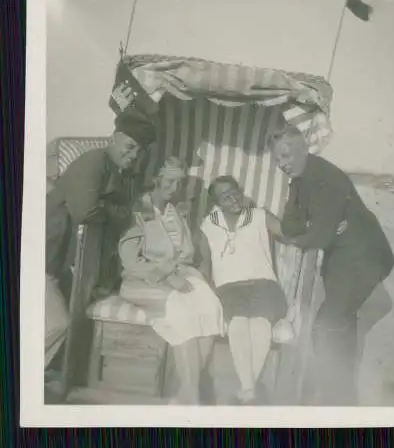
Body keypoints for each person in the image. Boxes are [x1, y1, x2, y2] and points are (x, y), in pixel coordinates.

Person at [267, 123, 394, 406]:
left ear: (303, 148)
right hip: (343, 258)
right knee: (339, 325)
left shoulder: (324, 176)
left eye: (287, 156)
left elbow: (316, 236)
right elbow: (293, 224)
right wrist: (308, 227)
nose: (283, 164)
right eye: (277, 159)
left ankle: (334, 401)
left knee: (325, 328)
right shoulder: (301, 180)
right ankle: (343, 399)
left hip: (361, 257)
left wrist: (302, 233)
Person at [45, 114, 154, 380]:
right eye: (129, 146)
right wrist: (122, 212)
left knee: (64, 322)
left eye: (138, 152)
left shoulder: (116, 171)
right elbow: (85, 211)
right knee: (59, 323)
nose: (132, 155)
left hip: (60, 261)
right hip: (43, 257)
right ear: (112, 138)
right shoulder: (94, 161)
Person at [118, 157, 224, 405]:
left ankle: (185, 394)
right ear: (155, 180)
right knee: (182, 313)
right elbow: (130, 261)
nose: (175, 188)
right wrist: (166, 275)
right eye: (169, 181)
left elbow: (185, 252)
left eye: (180, 182)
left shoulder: (175, 211)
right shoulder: (139, 211)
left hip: (181, 274)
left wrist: (186, 273)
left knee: (211, 308)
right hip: (144, 280)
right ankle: (192, 397)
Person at [198, 175, 290, 405]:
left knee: (260, 322)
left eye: (234, 191)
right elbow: (204, 264)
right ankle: (249, 390)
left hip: (264, 285)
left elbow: (288, 232)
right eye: (224, 196)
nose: (232, 198)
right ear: (217, 202)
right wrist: (206, 293)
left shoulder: (259, 215)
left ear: (241, 190)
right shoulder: (208, 224)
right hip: (228, 288)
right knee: (238, 322)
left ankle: (247, 390)